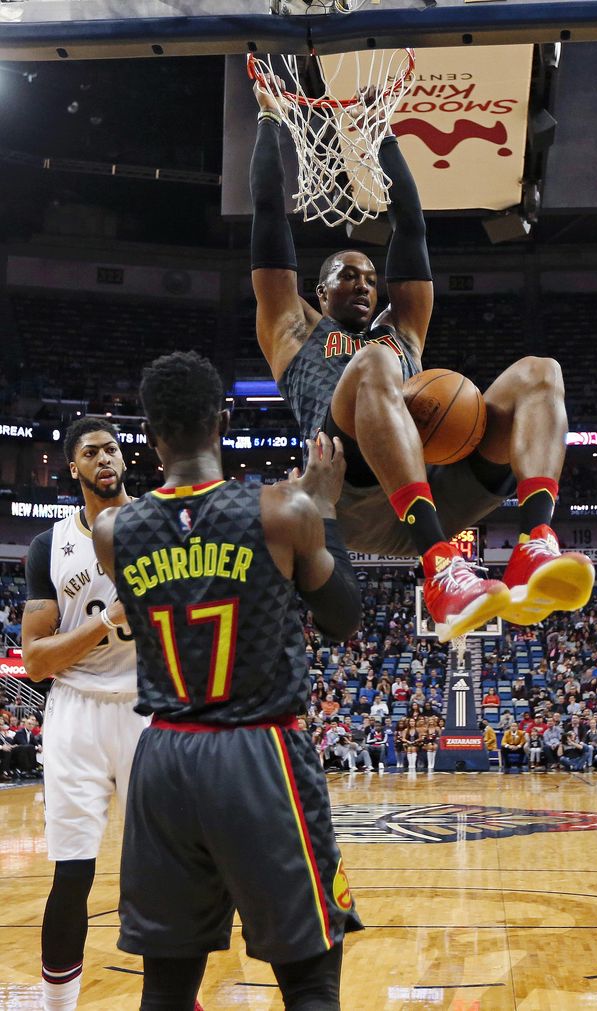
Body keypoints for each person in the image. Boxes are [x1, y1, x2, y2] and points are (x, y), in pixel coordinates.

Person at [248, 77, 593, 642]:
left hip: (438, 488)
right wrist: (267, 123)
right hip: (353, 493)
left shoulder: (403, 328)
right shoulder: (291, 329)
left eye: (369, 277)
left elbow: (412, 224)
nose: (363, 284)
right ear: (318, 290)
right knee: (377, 365)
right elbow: (267, 214)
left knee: (540, 372)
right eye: (347, 275)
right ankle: (440, 568)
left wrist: (384, 135)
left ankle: (535, 545)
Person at [91, 352, 364, 1010]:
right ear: (223, 421)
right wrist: (324, 507)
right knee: (309, 976)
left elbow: (179, 558)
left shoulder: (112, 531)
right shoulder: (282, 509)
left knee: (167, 984)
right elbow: (342, 617)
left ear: (151, 436)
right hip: (258, 752)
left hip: (163, 757)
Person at [22, 417, 149, 1011]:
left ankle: (172, 996)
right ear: (72, 467)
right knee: (72, 875)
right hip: (75, 713)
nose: (106, 459)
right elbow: (37, 659)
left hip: (149, 707)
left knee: (165, 871)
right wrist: (108, 622)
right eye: (92, 452)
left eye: (114, 449)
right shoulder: (51, 544)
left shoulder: (158, 524)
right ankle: (58, 1006)